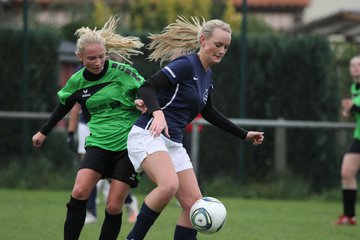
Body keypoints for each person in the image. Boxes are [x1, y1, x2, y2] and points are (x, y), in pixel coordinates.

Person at [125, 16, 264, 240]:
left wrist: (244, 134)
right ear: (202, 40)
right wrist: (158, 113)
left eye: (226, 47)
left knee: (192, 205)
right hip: (149, 133)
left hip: (172, 142)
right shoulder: (185, 64)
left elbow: (209, 112)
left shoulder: (207, 75)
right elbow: (147, 87)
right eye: (218, 44)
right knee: (168, 185)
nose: (221, 50)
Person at [32, 15, 145, 240]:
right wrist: (44, 131)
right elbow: (64, 106)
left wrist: (143, 101)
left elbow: (148, 89)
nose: (98, 62)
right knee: (79, 191)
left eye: (101, 56)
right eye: (91, 58)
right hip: (99, 144)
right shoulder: (76, 80)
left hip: (128, 148)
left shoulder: (122, 72)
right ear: (79, 57)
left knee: (114, 206)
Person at [67, 103, 139, 224]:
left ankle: (129, 200)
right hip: (87, 125)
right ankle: (91, 211)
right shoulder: (82, 83)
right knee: (89, 170)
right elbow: (75, 105)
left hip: (110, 125)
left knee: (110, 174)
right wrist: (70, 132)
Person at [335, 56, 360, 226]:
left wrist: (354, 107)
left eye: (359, 64)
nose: (355, 67)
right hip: (358, 137)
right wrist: (350, 112)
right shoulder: (354, 87)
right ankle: (349, 217)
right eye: (352, 64)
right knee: (346, 173)